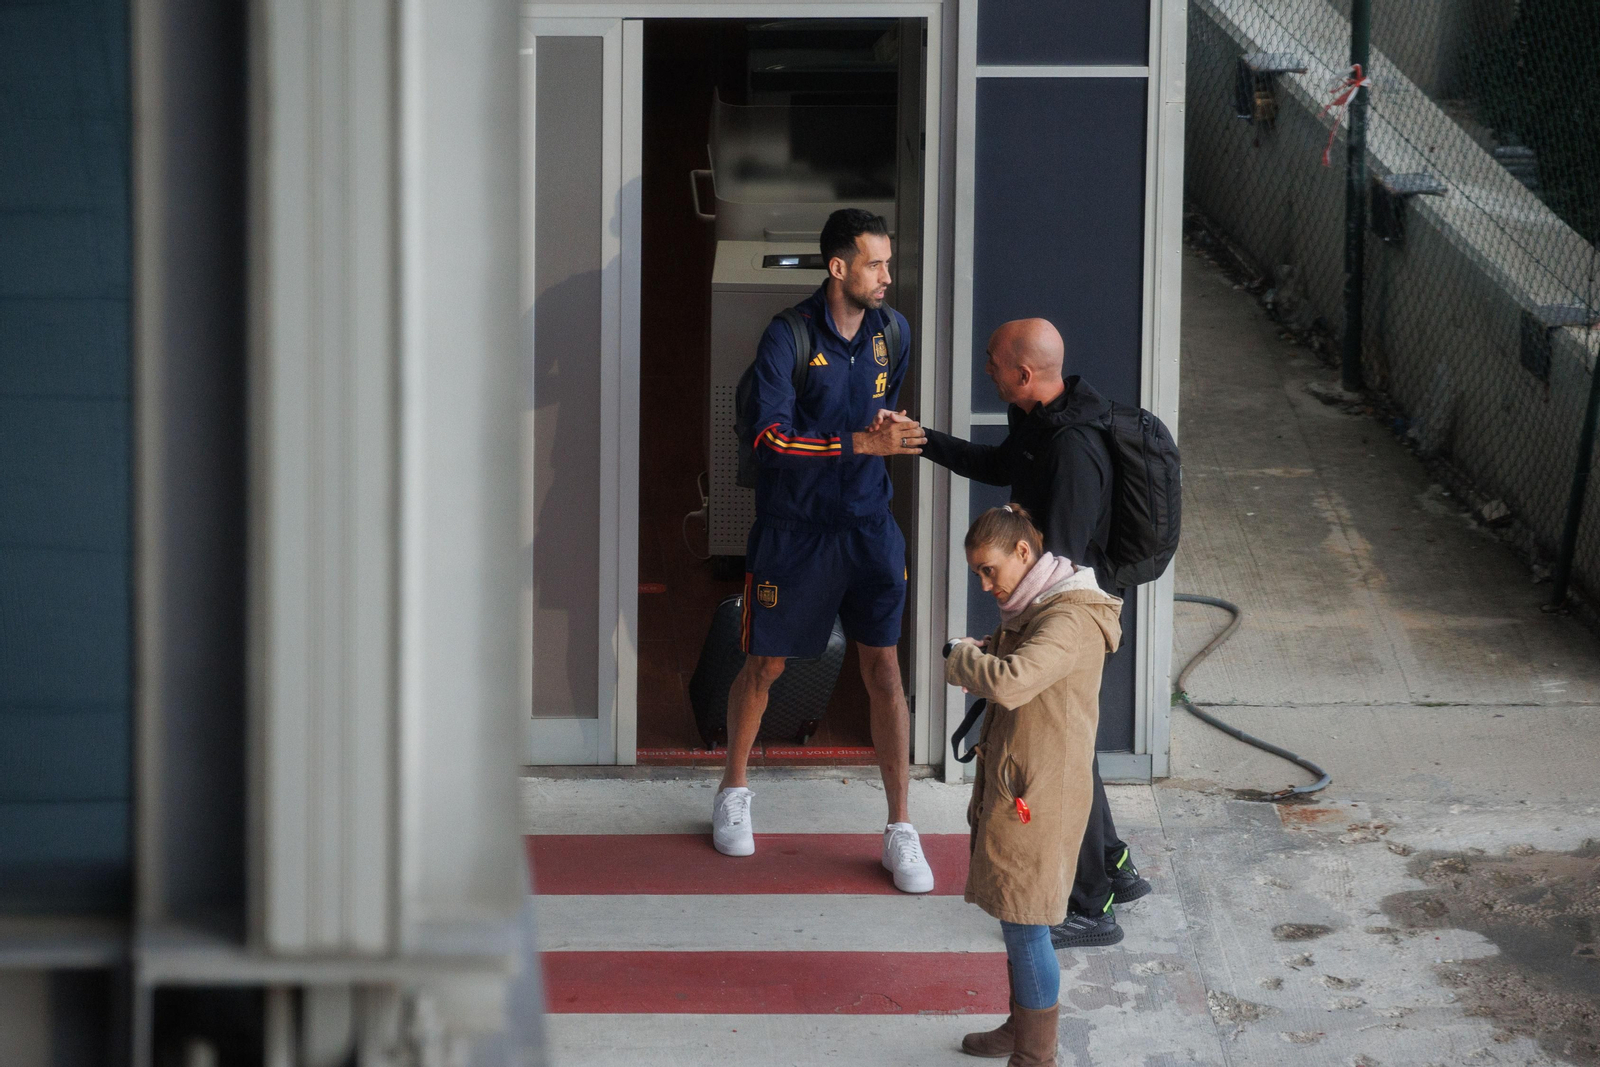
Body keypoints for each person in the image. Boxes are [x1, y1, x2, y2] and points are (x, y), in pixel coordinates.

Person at [711, 208, 936, 894]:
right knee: (766, 663)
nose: (887, 278)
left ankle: (900, 824)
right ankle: (732, 786)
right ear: (838, 268)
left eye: (888, 264)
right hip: (794, 530)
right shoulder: (788, 335)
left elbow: (880, 411)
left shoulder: (891, 333)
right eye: (876, 264)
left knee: (885, 672)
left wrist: (885, 429)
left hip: (870, 528)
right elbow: (768, 441)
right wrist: (856, 444)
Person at [915, 318, 1152, 946]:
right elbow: (998, 464)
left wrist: (1012, 631)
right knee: (1071, 746)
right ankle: (1117, 869)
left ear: (1023, 375)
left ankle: (1091, 904)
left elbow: (1064, 559)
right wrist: (922, 442)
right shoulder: (1040, 419)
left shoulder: (1073, 449)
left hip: (1070, 612)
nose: (986, 369)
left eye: (993, 362)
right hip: (1048, 604)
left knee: (1061, 754)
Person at [946, 505, 1123, 1066]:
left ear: (1024, 553)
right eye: (977, 573)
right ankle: (1019, 1029)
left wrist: (961, 658)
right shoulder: (1038, 606)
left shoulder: (1066, 620)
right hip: (1023, 784)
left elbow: (1015, 683)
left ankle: (1035, 1056)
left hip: (1039, 797)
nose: (985, 584)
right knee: (1014, 915)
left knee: (1025, 925)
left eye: (989, 570)